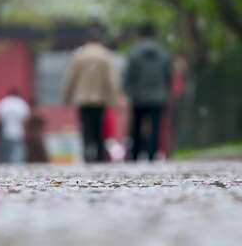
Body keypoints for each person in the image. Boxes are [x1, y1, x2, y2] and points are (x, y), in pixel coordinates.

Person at [64, 34, 116, 162]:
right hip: (100, 98)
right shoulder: (105, 56)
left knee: (86, 126)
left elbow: (71, 77)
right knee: (99, 126)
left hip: (83, 98)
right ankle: (100, 155)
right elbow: (111, 79)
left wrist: (67, 96)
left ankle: (87, 153)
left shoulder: (79, 56)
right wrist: (113, 97)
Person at [124, 24, 172, 161]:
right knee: (155, 127)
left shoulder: (133, 53)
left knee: (137, 126)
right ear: (155, 35)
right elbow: (168, 75)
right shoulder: (163, 53)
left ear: (140, 35)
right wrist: (165, 91)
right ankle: (152, 154)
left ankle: (135, 155)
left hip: (138, 95)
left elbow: (128, 75)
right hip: (158, 95)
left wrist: (128, 91)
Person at [0, 89, 29, 163]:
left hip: (5, 131)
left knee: (5, 152)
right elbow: (26, 119)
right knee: (17, 151)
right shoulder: (21, 103)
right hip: (18, 132)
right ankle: (17, 166)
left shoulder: (3, 102)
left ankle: (5, 165)